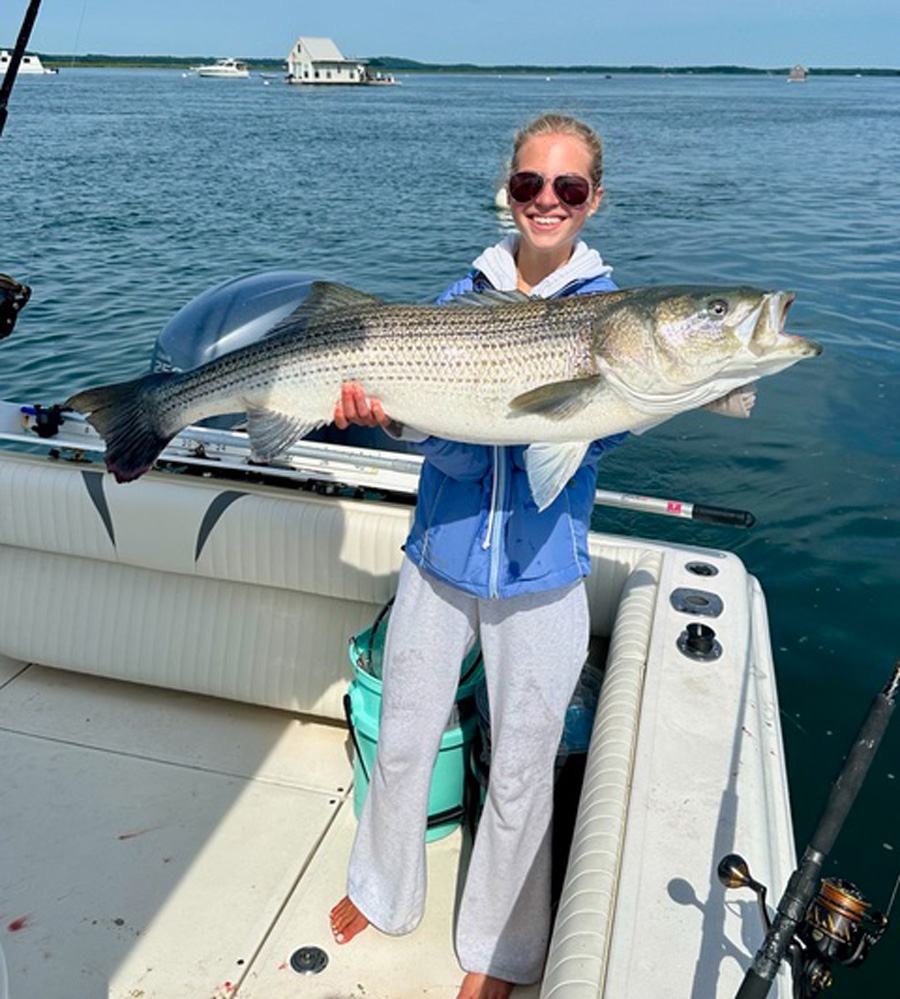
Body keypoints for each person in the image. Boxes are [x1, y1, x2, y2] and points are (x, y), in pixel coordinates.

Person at [329, 113, 627, 999]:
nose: (547, 201)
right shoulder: (459, 304)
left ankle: (499, 947)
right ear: (509, 190)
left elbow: (578, 459)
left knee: (524, 767)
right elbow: (452, 451)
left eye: (568, 188)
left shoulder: (616, 319)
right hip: (440, 557)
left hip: (543, 574)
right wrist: (396, 414)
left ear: (593, 202)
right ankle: (380, 889)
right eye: (531, 183)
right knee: (408, 739)